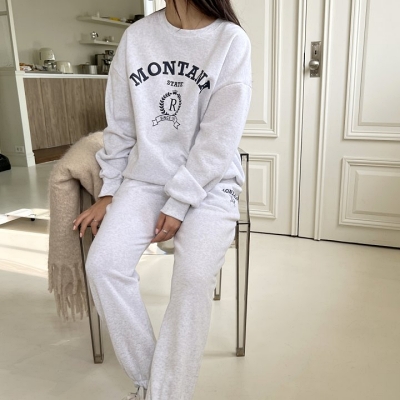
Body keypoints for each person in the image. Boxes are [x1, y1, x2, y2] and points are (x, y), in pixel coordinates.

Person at [73, 0, 252, 399]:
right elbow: (120, 126)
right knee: (103, 266)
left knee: (192, 280)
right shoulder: (137, 37)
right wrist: (109, 190)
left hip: (208, 184)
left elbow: (219, 138)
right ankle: (151, 383)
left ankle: (163, 395)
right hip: (145, 180)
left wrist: (179, 202)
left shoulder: (230, 40)